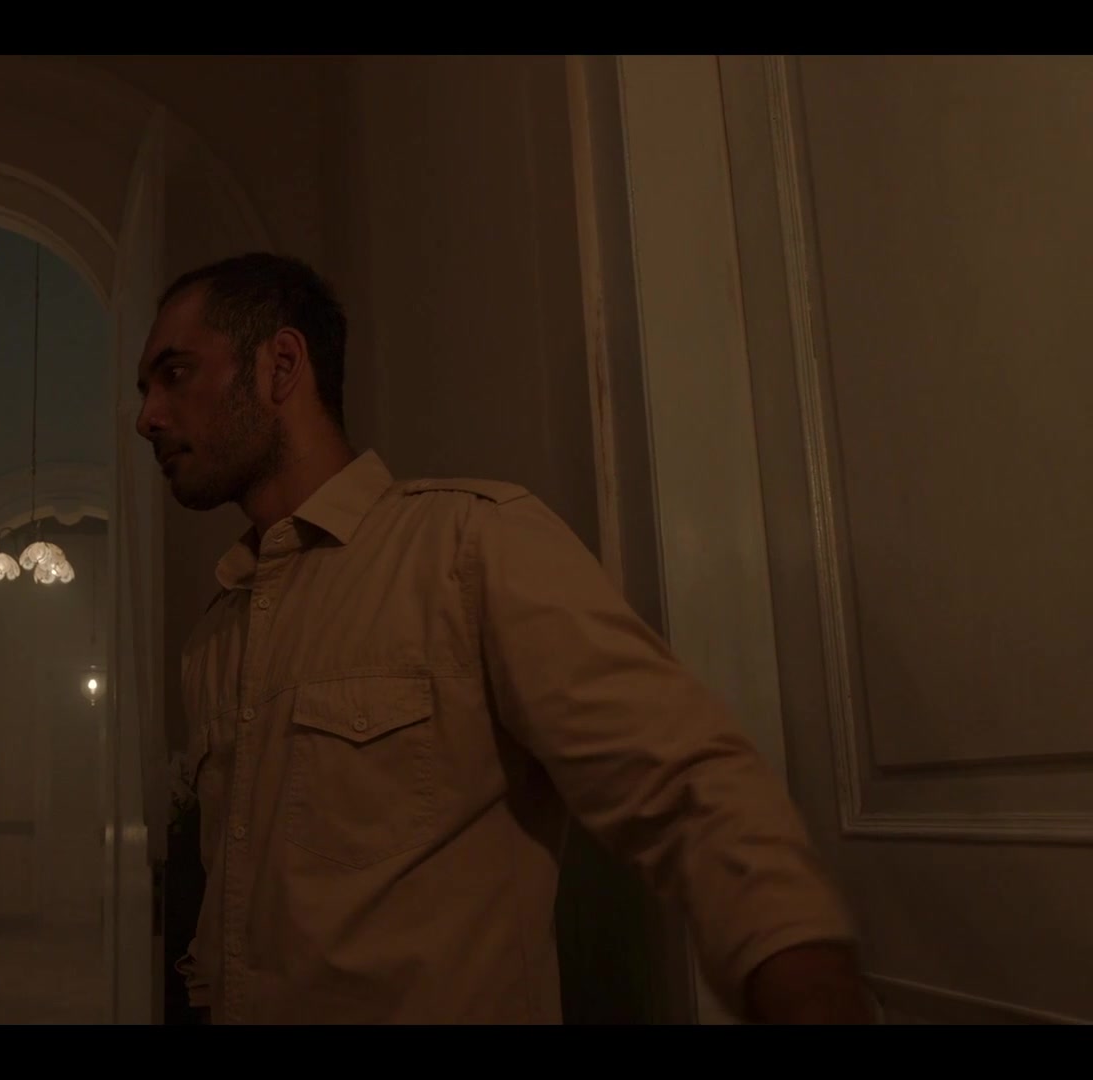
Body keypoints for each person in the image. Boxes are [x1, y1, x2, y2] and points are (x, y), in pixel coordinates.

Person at [136, 252, 873, 1025]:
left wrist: (799, 973)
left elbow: (684, 784)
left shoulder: (469, 546)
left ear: (281, 365)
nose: (148, 416)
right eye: (145, 389)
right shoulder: (216, 638)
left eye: (174, 374)